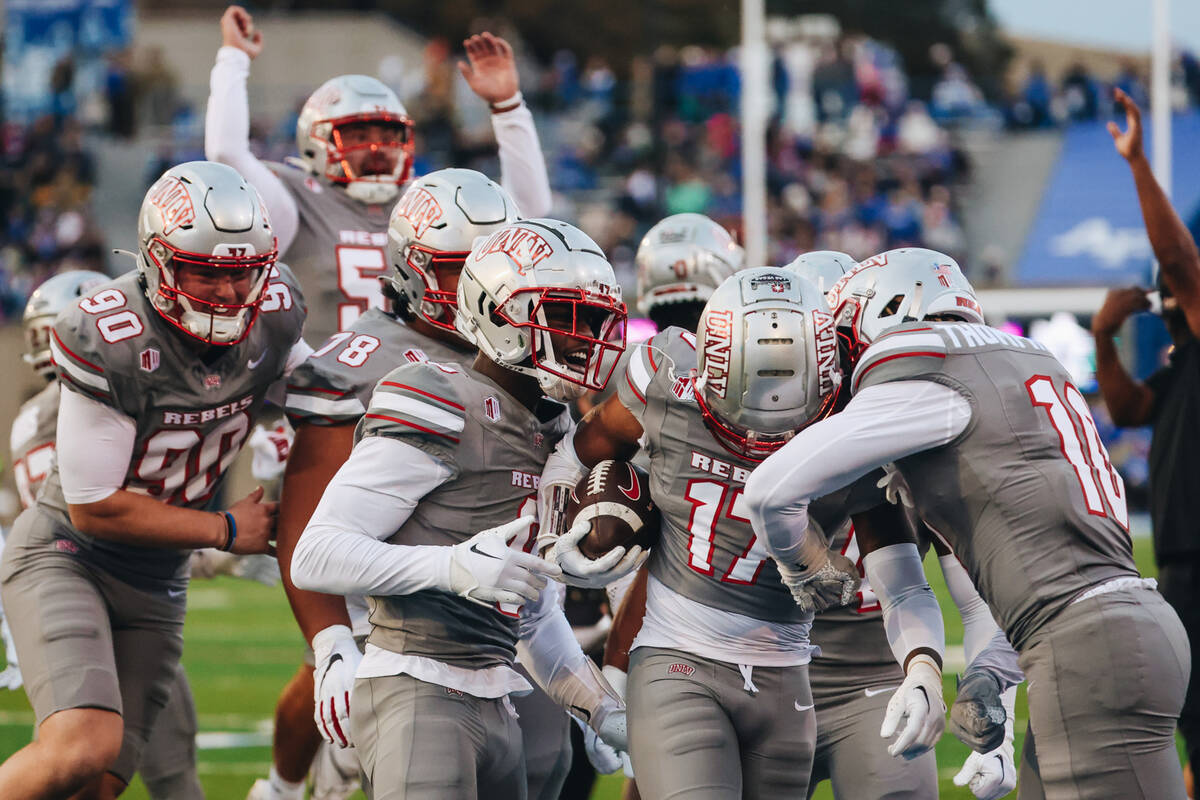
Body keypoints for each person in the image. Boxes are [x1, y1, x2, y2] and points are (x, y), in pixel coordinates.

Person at [745, 246, 1189, 800]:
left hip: (1087, 646)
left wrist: (805, 566)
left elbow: (768, 491)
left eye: (840, 338)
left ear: (885, 313)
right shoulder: (1025, 359)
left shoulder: (924, 369)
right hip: (1107, 625)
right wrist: (988, 679)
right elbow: (1050, 574)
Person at [538, 266, 940, 799]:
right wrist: (551, 532)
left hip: (786, 671)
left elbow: (904, 582)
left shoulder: (855, 424)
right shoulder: (665, 379)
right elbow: (575, 450)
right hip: (677, 657)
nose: (763, 431)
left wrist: (925, 668)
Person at [0, 161, 309, 800]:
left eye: (240, 274)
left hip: (156, 578)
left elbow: (325, 401)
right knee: (82, 744)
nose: (227, 294)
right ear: (159, 263)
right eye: (205, 272)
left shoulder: (275, 313)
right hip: (70, 556)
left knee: (102, 784)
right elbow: (92, 507)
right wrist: (225, 529)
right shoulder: (111, 332)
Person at [290, 219, 629, 799]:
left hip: (498, 691)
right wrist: (450, 568)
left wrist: (597, 705)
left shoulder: (550, 426)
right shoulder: (439, 397)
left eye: (596, 320)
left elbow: (532, 609)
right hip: (416, 684)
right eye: (568, 316)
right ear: (501, 315)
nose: (586, 337)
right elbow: (315, 554)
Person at [206, 5, 552, 346]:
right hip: (320, 392)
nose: (379, 148)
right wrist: (233, 57)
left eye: (389, 137)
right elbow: (226, 152)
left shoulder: (423, 201)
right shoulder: (295, 197)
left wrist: (508, 107)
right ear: (316, 140)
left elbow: (528, 211)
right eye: (359, 136)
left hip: (418, 392)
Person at [1093, 86, 1200, 790]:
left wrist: (1136, 165)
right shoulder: (1182, 365)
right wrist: (1103, 336)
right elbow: (1129, 409)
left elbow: (1180, 262)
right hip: (1184, 567)